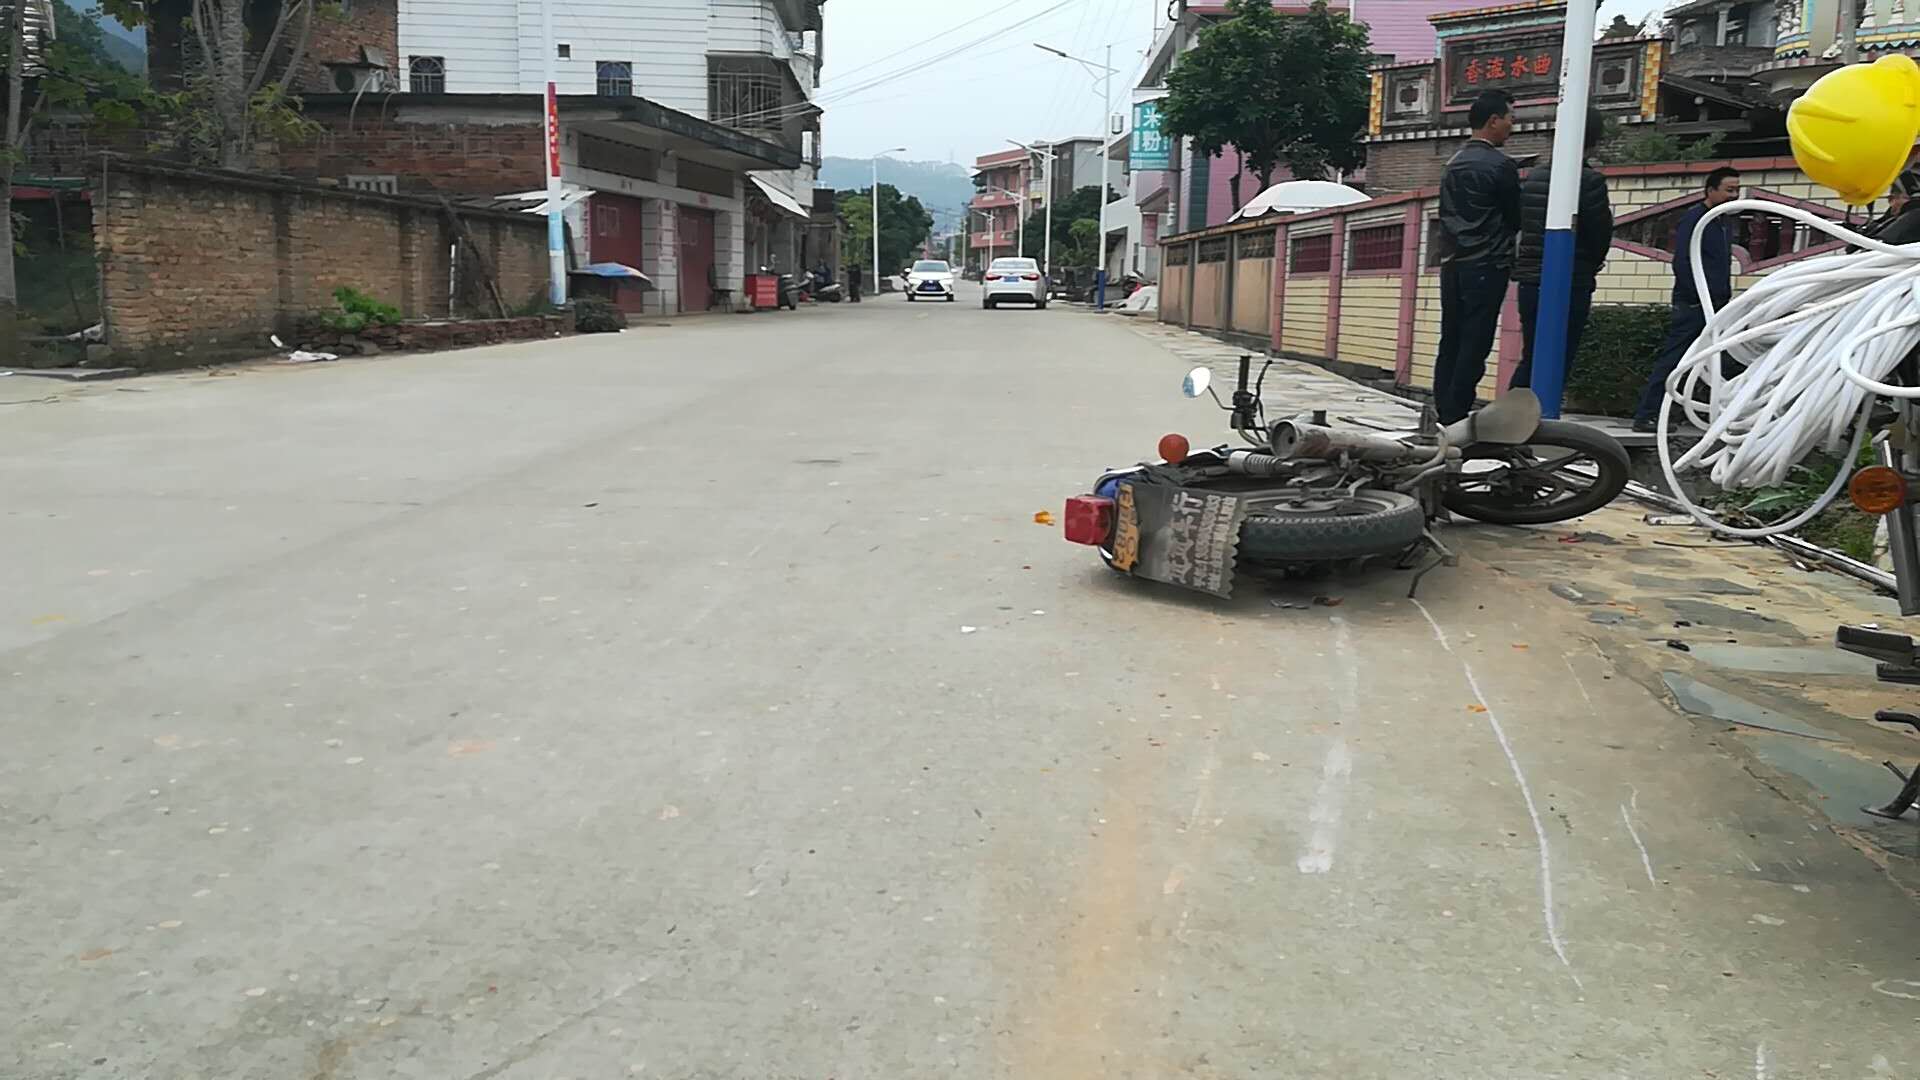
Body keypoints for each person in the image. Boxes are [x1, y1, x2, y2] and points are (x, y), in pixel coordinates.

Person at [1432, 89, 1522, 423]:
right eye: (1510, 119)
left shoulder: (1452, 164)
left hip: (1452, 263)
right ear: (1494, 121)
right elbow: (1515, 218)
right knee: (1475, 339)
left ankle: (1444, 408)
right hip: (1487, 263)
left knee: (1451, 336)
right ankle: (1458, 411)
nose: (1512, 126)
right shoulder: (1501, 166)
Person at [1510, 107, 1613, 392]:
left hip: (1531, 280)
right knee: (1560, 356)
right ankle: (1534, 417)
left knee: (1533, 354)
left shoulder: (1533, 178)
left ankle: (1509, 416)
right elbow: (1599, 235)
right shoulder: (1589, 181)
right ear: (1593, 141)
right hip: (1571, 280)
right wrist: (1592, 264)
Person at [1632, 167, 1741, 432]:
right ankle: (1647, 415)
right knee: (1675, 359)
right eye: (1729, 190)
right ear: (1710, 190)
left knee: (1720, 360)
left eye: (1737, 190)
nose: (1734, 196)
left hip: (1716, 304)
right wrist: (1698, 297)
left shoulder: (1723, 222)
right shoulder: (1695, 220)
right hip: (1694, 304)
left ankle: (1716, 413)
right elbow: (1683, 261)